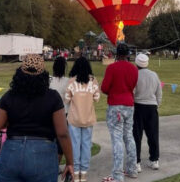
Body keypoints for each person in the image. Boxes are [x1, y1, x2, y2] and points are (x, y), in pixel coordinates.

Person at [0, 54, 74, 182]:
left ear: (19, 73)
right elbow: (63, 133)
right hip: (43, 156)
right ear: (44, 75)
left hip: (11, 154)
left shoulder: (9, 97)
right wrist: (70, 162)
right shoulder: (53, 97)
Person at [100, 43, 139, 182]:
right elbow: (133, 85)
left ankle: (117, 174)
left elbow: (104, 87)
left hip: (116, 105)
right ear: (128, 54)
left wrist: (113, 92)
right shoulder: (134, 69)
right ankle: (132, 169)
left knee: (117, 139)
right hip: (129, 104)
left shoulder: (112, 68)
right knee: (129, 136)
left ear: (117, 54)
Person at [65, 56, 101, 182]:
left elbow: (66, 99)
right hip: (88, 118)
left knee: (75, 145)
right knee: (86, 145)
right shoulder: (93, 81)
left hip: (74, 118)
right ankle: (83, 173)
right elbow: (97, 98)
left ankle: (75, 173)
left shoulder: (71, 81)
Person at [132, 53, 162, 172]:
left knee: (136, 135)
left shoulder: (135, 75)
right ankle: (154, 160)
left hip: (138, 106)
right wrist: (156, 105)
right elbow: (159, 92)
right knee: (153, 134)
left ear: (136, 63)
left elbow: (132, 91)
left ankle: (136, 162)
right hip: (152, 107)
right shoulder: (154, 75)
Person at [51, 57, 71, 165]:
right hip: (64, 113)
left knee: (51, 139)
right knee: (61, 141)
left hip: (50, 114)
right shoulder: (68, 81)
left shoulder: (49, 80)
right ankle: (56, 165)